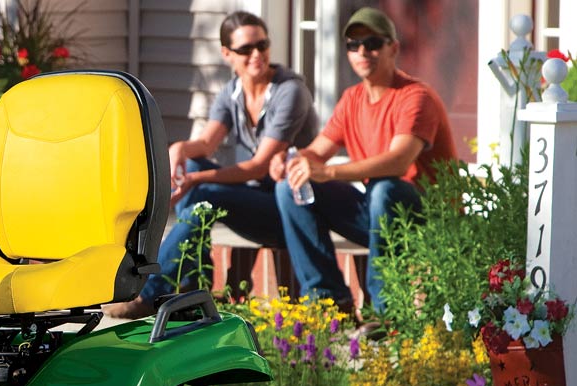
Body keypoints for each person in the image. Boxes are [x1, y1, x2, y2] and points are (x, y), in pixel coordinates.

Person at [107, 11, 317, 319]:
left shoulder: (290, 91)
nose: (256, 54)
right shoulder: (232, 92)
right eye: (246, 49)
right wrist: (178, 149)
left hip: (289, 209)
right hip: (253, 200)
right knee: (193, 174)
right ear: (227, 54)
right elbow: (206, 143)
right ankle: (190, 289)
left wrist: (193, 180)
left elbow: (259, 167)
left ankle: (156, 291)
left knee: (199, 188)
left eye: (262, 45)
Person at [274, 7, 456, 316]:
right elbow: (316, 152)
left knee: (386, 189)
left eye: (372, 43)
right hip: (379, 216)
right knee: (288, 187)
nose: (362, 51)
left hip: (426, 219)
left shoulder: (416, 97)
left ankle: (385, 314)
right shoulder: (352, 99)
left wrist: (328, 171)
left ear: (393, 48)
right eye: (353, 45)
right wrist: (290, 159)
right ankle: (329, 303)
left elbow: (399, 162)